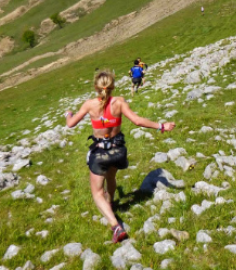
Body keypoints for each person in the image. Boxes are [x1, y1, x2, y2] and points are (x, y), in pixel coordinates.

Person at [65, 71, 176, 243]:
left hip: (100, 152)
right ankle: (111, 203)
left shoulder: (89, 105)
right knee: (111, 177)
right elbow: (137, 121)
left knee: (97, 192)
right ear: (113, 86)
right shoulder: (119, 102)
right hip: (118, 150)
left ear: (96, 87)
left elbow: (71, 124)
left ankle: (115, 225)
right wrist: (162, 126)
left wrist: (68, 114)